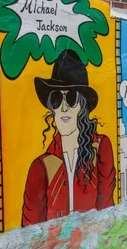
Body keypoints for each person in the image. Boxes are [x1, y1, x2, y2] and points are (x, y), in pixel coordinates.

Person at [22, 50, 116, 226]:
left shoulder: (100, 149)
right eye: (57, 99)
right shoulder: (41, 167)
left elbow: (106, 213)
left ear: (82, 105)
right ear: (52, 108)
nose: (64, 107)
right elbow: (30, 232)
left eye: (71, 98)